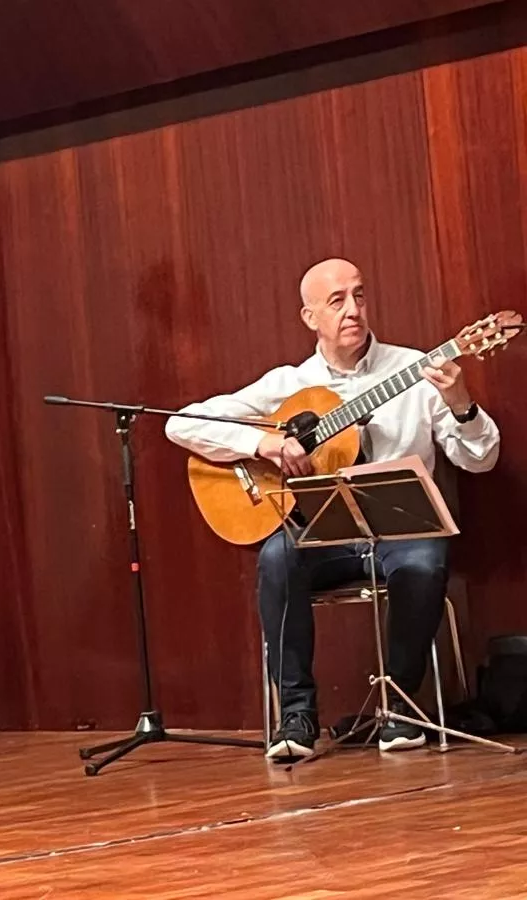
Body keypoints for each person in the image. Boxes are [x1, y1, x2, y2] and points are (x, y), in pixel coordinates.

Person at [166, 257, 501, 761]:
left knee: (424, 561)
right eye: (337, 301)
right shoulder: (288, 384)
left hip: (402, 532)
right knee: (277, 557)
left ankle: (402, 706)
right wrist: (264, 445)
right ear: (310, 317)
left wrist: (461, 402)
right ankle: (297, 716)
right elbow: (180, 424)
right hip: (325, 533)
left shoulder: (414, 369)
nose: (353, 310)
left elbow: (481, 459)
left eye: (359, 295)